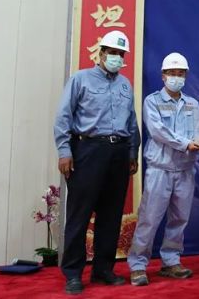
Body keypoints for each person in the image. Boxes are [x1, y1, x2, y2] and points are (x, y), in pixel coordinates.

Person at [54, 30, 140, 295]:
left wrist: (132, 153)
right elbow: (64, 117)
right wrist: (64, 151)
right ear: (101, 53)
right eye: (112, 52)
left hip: (118, 153)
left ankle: (103, 269)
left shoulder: (125, 84)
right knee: (79, 214)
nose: (116, 58)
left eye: (120, 54)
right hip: (88, 150)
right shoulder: (80, 79)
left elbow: (132, 122)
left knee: (111, 215)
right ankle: (73, 273)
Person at [128, 52, 199, 286]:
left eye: (180, 73)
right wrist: (186, 144)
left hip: (185, 170)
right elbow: (158, 131)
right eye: (172, 73)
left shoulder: (193, 104)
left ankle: (171, 261)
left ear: (186, 76)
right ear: (163, 75)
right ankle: (138, 265)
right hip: (159, 169)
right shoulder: (152, 101)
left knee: (179, 219)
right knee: (149, 219)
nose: (176, 77)